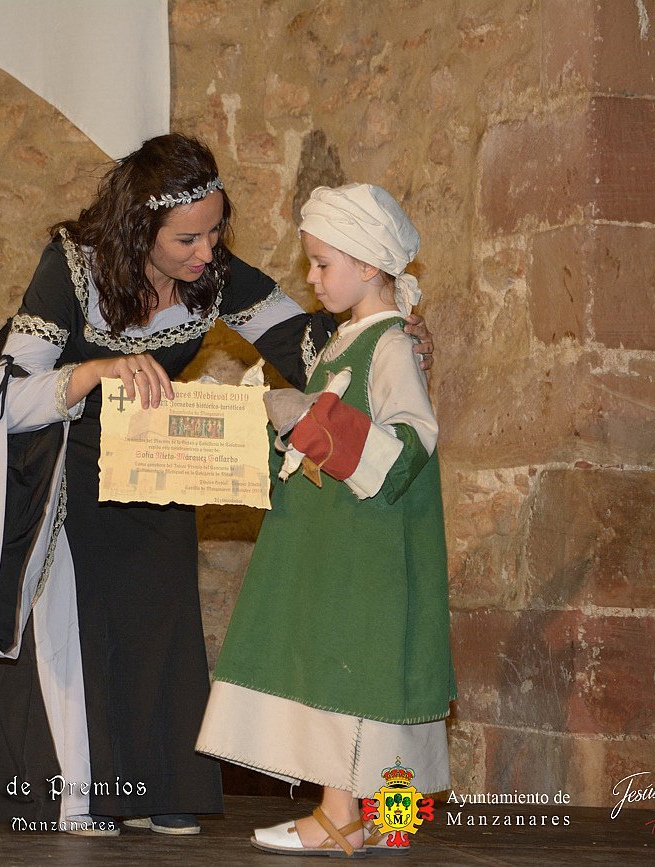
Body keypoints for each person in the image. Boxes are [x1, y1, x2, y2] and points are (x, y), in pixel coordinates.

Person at [0, 136, 434, 836]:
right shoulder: (72, 267)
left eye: (215, 232)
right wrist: (96, 372)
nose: (207, 252)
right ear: (138, 231)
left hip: (155, 460)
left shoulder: (213, 274)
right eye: (187, 238)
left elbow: (304, 344)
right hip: (70, 465)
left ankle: (160, 784)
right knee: (82, 622)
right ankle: (87, 793)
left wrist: (385, 337)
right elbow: (9, 392)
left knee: (163, 609)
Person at [196, 183, 454, 858]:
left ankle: (341, 817)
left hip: (367, 549)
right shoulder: (347, 341)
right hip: (341, 540)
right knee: (375, 677)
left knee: (354, 676)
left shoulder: (390, 345)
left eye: (321, 263)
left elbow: (408, 446)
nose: (311, 278)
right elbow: (322, 444)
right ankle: (393, 818)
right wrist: (266, 426)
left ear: (368, 264)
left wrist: (304, 417)